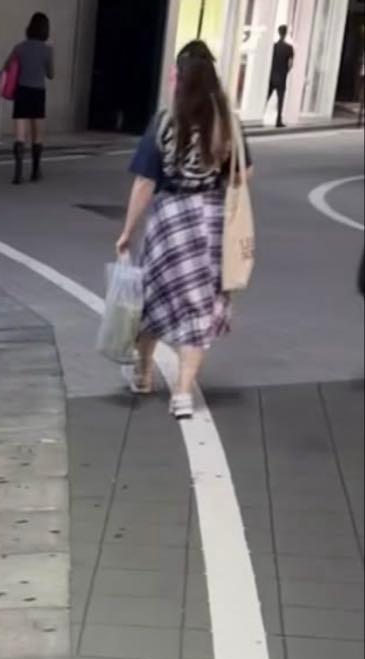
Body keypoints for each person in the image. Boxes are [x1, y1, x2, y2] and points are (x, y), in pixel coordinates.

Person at [115, 41, 253, 420]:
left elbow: (145, 182)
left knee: (153, 300)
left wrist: (127, 231)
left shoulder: (165, 121)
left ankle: (143, 373)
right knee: (198, 307)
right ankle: (182, 394)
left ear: (180, 78)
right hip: (211, 223)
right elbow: (243, 174)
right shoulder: (227, 122)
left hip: (170, 221)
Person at [3, 12, 54, 183]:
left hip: (22, 91)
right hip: (38, 92)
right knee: (37, 133)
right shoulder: (47, 50)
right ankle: (35, 170)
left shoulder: (19, 47)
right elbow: (51, 74)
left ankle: (18, 173)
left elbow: (7, 66)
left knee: (20, 134)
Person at [266, 25, 295, 127]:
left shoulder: (273, 46)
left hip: (272, 75)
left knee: (266, 97)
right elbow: (290, 64)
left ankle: (258, 115)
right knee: (280, 100)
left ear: (278, 32)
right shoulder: (289, 48)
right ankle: (278, 121)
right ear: (285, 33)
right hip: (282, 77)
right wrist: (286, 71)